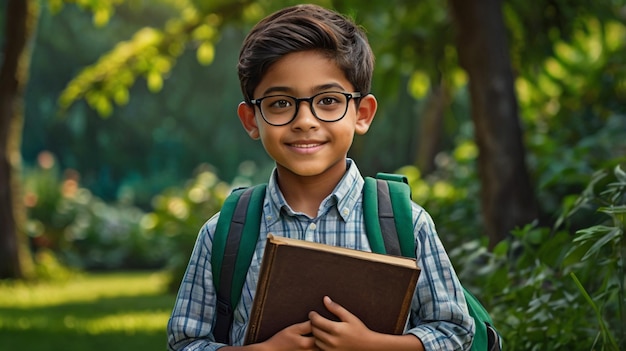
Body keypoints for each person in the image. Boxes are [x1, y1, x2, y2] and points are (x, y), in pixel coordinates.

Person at [167, 4, 474, 350]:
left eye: (328, 100)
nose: (305, 120)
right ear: (252, 119)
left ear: (362, 114)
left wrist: (371, 345)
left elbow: (455, 331)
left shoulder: (406, 224)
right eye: (281, 103)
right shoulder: (224, 232)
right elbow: (186, 342)